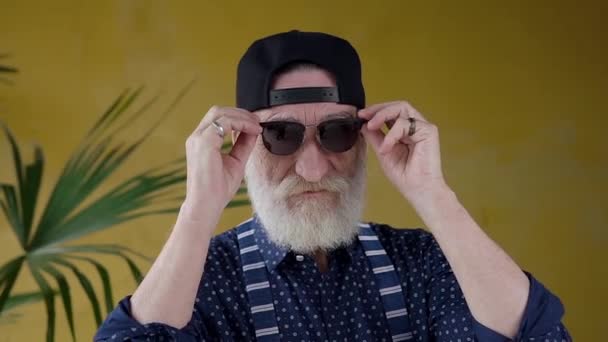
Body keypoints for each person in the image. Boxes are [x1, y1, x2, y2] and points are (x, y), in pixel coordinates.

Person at [94, 30, 571, 341]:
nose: (314, 169)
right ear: (244, 142)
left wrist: (433, 193)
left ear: (365, 137)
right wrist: (199, 210)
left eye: (336, 133)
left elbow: (536, 334)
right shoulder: (202, 280)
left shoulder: (422, 263)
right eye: (281, 135)